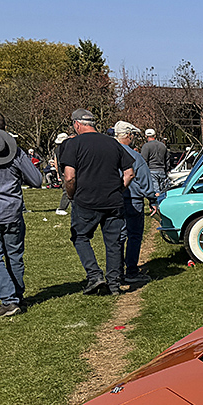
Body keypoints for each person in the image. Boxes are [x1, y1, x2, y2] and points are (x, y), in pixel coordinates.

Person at [59, 108, 135, 295]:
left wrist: (70, 195)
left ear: (77, 124)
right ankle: (114, 283)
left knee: (80, 237)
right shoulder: (113, 143)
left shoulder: (73, 144)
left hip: (86, 201)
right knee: (114, 242)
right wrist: (119, 189)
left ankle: (94, 276)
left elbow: (69, 177)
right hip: (113, 201)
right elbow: (130, 173)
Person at [0, 121, 43, 316]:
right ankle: (16, 296)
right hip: (12, 212)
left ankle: (9, 300)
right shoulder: (16, 153)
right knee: (14, 256)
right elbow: (36, 180)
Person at [114, 121, 154, 284]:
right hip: (133, 200)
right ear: (128, 135)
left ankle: (116, 271)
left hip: (114, 199)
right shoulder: (134, 156)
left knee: (117, 236)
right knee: (134, 235)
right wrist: (152, 198)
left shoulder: (108, 153)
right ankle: (131, 270)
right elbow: (144, 179)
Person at [140, 128, 169, 201]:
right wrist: (167, 169)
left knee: (156, 191)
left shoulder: (146, 146)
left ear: (146, 136)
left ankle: (156, 205)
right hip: (162, 170)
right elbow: (167, 159)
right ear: (155, 135)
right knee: (163, 190)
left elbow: (144, 160)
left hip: (152, 170)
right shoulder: (163, 146)